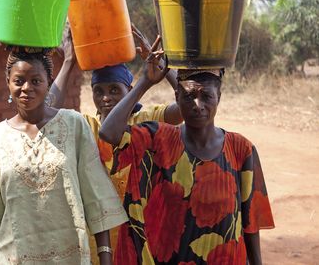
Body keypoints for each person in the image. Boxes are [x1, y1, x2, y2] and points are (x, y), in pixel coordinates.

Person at [99, 50, 275, 264]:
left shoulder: (241, 149)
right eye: (189, 96)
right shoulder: (160, 139)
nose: (198, 105)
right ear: (177, 97)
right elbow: (108, 132)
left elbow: (251, 224)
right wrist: (145, 81)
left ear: (218, 97)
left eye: (207, 96)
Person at [0, 47, 128, 264]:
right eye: (19, 80)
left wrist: (105, 257)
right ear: (8, 83)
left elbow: (96, 197)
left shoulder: (73, 124)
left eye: (35, 81)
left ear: (49, 82)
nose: (26, 88)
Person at [49, 27, 183, 263]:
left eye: (114, 90)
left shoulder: (145, 121)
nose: (106, 98)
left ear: (129, 91)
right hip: (98, 238)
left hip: (142, 233)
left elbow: (184, 108)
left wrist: (163, 69)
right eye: (98, 91)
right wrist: (69, 61)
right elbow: (47, 112)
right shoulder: (86, 126)